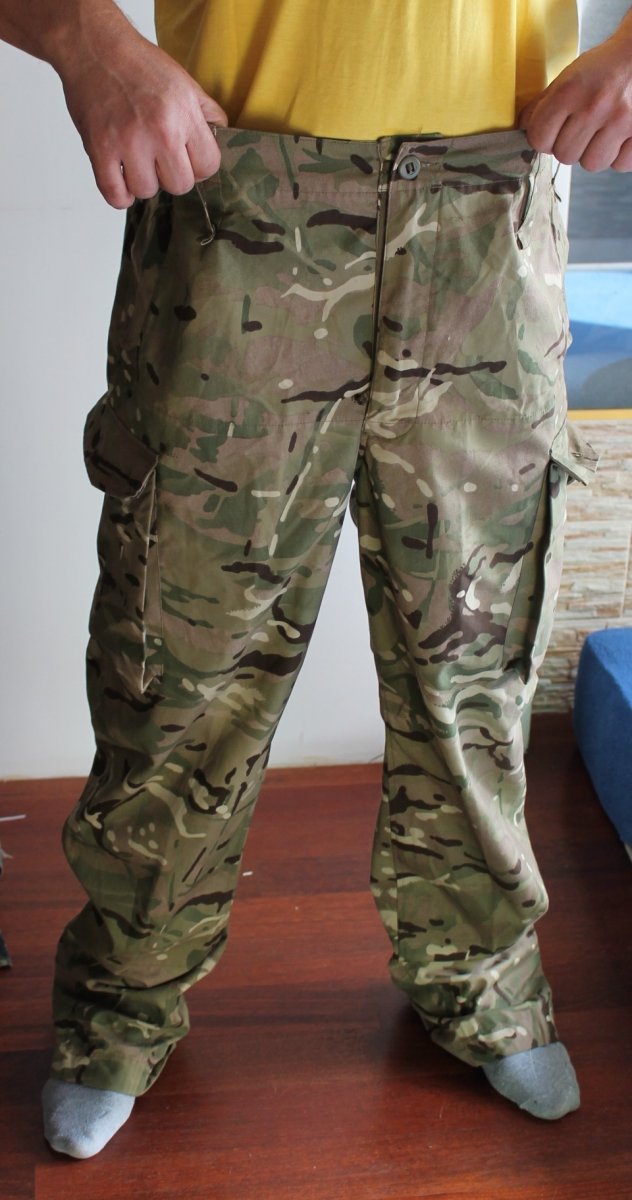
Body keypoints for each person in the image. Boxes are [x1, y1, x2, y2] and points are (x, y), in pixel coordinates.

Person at [2, 0, 631, 1161]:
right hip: (238, 201)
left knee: (469, 663)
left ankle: (481, 982)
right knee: (178, 659)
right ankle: (121, 1008)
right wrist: (87, 38)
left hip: (487, 209)